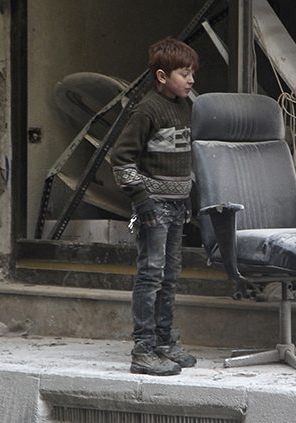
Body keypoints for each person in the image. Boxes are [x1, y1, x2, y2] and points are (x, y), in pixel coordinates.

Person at [109, 37, 199, 376]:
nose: (191, 80)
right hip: (154, 208)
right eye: (184, 73)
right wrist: (140, 199)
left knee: (170, 275)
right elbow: (121, 159)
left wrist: (189, 198)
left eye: (192, 73)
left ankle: (164, 341)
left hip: (178, 206)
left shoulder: (184, 105)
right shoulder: (147, 109)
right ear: (162, 76)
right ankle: (143, 349)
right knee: (151, 275)